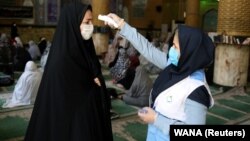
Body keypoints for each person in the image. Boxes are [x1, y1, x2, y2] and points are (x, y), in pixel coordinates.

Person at [105, 13, 215, 141]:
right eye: (172, 45)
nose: (171, 50)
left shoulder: (196, 90)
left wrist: (156, 119)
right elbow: (148, 49)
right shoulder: (175, 66)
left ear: (189, 53)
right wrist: (121, 25)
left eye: (175, 47)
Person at [24, 2, 113, 141]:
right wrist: (92, 85)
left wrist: (97, 81)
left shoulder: (86, 48)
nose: (90, 26)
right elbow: (68, 102)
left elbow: (95, 77)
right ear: (73, 23)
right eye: (86, 21)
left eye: (91, 21)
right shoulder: (60, 61)